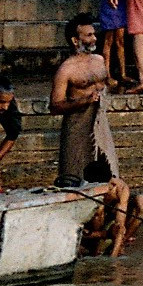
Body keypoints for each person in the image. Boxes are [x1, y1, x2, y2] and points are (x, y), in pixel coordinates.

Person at [50, 13, 117, 188]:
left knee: (110, 179)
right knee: (74, 180)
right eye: (88, 35)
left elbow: (106, 86)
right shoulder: (65, 70)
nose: (94, 38)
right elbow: (55, 106)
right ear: (75, 40)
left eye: (94, 34)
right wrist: (84, 101)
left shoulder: (100, 60)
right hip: (76, 129)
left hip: (101, 127)